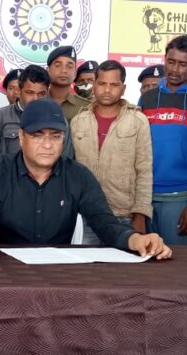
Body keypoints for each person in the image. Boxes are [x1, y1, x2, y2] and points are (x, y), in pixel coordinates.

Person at [0, 99, 171, 261]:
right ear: (21, 137)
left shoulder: (78, 175)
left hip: (59, 272)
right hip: (2, 270)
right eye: (37, 135)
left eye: (55, 136)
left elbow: (105, 223)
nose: (48, 145)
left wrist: (136, 239)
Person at [140, 35, 187, 246]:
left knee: (174, 260)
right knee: (142, 256)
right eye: (171, 62)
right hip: (145, 194)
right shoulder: (147, 98)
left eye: (183, 64)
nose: (175, 69)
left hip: (179, 197)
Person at [72, 60, 153, 244]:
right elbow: (71, 170)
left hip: (124, 215)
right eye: (102, 83)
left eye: (114, 85)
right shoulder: (78, 121)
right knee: (86, 261)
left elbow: (144, 170)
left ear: (123, 88)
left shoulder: (138, 121)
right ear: (94, 85)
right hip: (86, 214)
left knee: (121, 262)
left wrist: (140, 214)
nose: (107, 90)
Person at [0, 65, 74, 173]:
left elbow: (65, 161)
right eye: (30, 93)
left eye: (41, 94)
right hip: (6, 181)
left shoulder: (59, 121)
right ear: (19, 91)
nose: (35, 99)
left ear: (47, 92)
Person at [46, 45, 90, 122]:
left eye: (69, 66)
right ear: (48, 70)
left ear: (75, 73)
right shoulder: (37, 101)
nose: (64, 70)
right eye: (58, 65)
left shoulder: (86, 107)